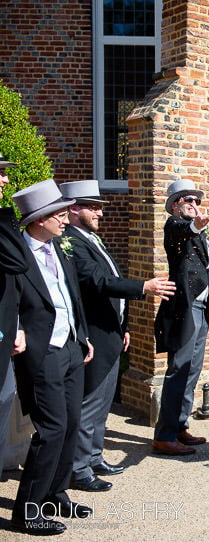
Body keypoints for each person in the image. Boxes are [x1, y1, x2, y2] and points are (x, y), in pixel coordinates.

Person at [59, 180, 176, 490]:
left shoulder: (91, 238)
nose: (100, 212)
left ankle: (94, 456)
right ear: (73, 209)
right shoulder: (69, 242)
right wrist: (144, 287)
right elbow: (96, 282)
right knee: (90, 402)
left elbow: (110, 282)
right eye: (93, 207)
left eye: (99, 207)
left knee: (103, 401)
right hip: (93, 335)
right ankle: (78, 469)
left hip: (110, 332)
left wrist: (123, 328)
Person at [10, 179, 94, 535]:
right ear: (38, 218)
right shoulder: (15, 253)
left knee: (72, 423)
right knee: (51, 428)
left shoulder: (58, 246)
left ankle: (55, 494)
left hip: (72, 347)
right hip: (42, 351)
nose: (65, 219)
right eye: (59, 214)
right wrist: (13, 328)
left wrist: (83, 336)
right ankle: (27, 511)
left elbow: (71, 294)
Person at [153, 179, 209, 456]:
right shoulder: (174, 226)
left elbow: (205, 271)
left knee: (192, 371)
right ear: (176, 205)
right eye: (188, 200)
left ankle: (179, 426)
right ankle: (164, 436)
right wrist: (196, 226)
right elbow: (183, 231)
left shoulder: (199, 235)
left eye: (196, 201)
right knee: (179, 370)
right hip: (183, 309)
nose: (194, 205)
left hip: (200, 308)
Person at [0, 154, 28, 468]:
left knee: (5, 398)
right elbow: (18, 262)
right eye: (0, 173)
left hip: (5, 332)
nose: (5, 180)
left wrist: (16, 325)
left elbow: (12, 278)